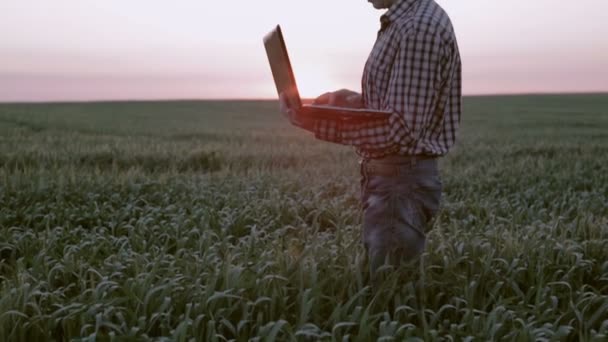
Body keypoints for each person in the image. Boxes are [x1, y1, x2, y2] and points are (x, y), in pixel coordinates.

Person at [279, 0, 462, 278]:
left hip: (400, 185)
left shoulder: (417, 29)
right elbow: (393, 106)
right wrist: (342, 102)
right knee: (385, 288)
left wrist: (316, 122)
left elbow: (399, 130)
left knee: (388, 298)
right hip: (394, 181)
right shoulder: (404, 22)